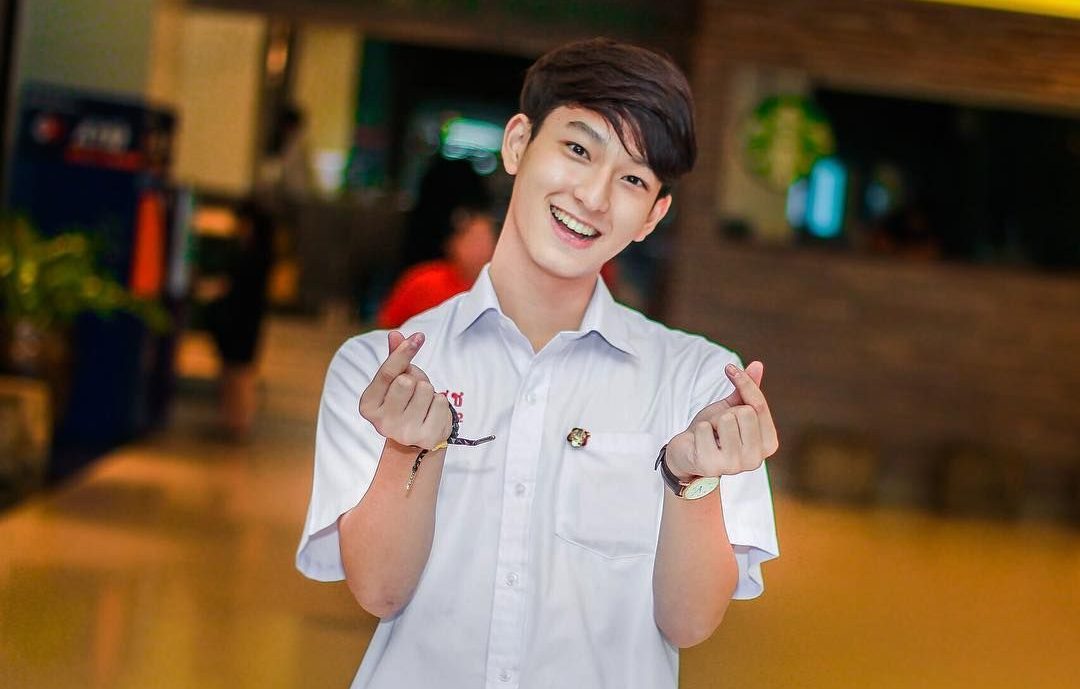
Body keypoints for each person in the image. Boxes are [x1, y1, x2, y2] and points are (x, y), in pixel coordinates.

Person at [297, 38, 780, 689]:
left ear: (653, 215)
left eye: (633, 179)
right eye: (579, 149)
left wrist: (690, 478)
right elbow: (379, 590)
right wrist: (409, 448)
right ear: (519, 143)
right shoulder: (378, 372)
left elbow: (688, 622)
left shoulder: (701, 386)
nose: (594, 196)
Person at [377, 157, 496, 328]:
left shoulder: (501, 293)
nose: (481, 248)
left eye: (486, 238)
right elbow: (386, 329)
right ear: (453, 242)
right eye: (473, 239)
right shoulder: (422, 283)